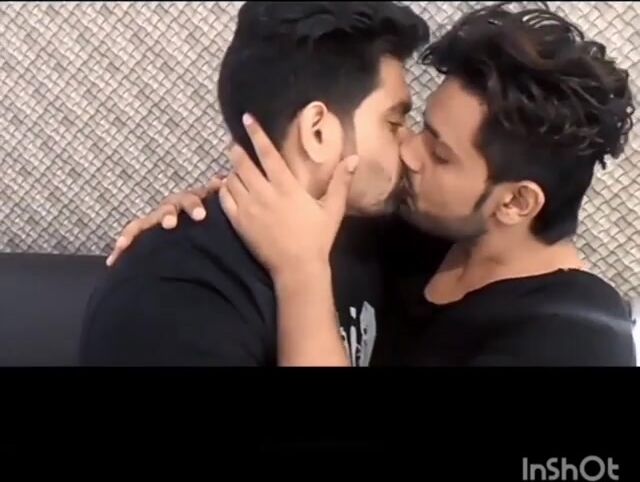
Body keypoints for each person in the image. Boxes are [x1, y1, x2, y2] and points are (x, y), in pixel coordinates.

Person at [108, 3, 636, 366]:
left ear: (516, 202)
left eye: (439, 153)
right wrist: (211, 207)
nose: (409, 151)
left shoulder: (575, 344)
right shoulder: (403, 231)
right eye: (406, 123)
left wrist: (302, 275)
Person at [79, 2, 430, 366]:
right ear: (317, 132)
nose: (410, 147)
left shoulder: (368, 233)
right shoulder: (169, 303)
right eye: (394, 124)